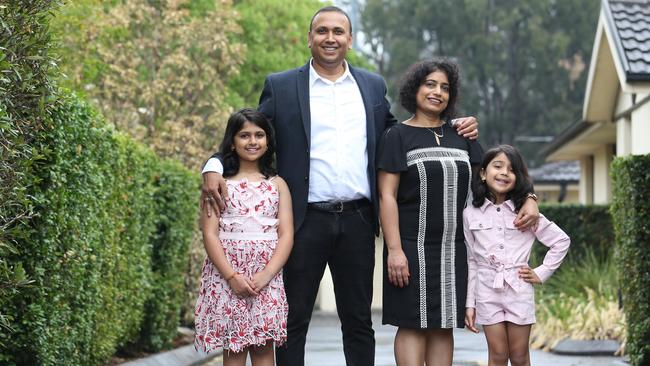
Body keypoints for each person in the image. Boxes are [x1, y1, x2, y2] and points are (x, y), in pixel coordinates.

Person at [200, 7, 481, 365]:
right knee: (293, 319)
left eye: (338, 32)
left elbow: (402, 132)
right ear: (310, 38)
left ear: (349, 39)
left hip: (358, 219)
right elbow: (252, 134)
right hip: (304, 220)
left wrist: (452, 124)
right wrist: (213, 165)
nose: (330, 38)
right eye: (322, 31)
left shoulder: (371, 85)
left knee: (358, 321)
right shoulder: (282, 86)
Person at [377, 59, 493, 366]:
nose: (437, 92)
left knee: (443, 324)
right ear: (415, 88)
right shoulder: (396, 136)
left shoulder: (463, 136)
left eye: (445, 87)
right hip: (410, 247)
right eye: (430, 84)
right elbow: (386, 196)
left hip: (454, 249)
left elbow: (493, 181)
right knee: (411, 323)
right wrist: (394, 251)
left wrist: (529, 196)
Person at [194, 108, 293, 366]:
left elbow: (286, 234)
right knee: (235, 349)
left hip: (266, 278)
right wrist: (232, 276)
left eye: (259, 135)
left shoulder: (278, 184)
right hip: (228, 277)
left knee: (263, 348)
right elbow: (209, 232)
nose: (252, 141)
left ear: (268, 141)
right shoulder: (218, 184)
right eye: (244, 135)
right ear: (232, 142)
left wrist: (266, 274)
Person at [463, 145, 570, 366]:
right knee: (498, 356)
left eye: (511, 169)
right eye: (498, 166)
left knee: (520, 357)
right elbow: (471, 260)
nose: (504, 173)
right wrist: (469, 303)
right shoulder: (469, 214)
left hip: (518, 289)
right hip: (486, 291)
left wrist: (541, 272)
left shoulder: (527, 212)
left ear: (517, 177)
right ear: (483, 173)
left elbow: (561, 241)